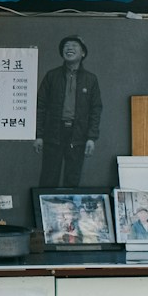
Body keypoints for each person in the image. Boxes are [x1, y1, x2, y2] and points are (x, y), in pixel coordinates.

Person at [34, 35, 101, 186]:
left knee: (73, 178)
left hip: (78, 135)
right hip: (53, 133)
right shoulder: (52, 76)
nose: (69, 48)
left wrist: (91, 137)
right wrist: (39, 135)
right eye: (66, 46)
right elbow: (40, 106)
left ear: (83, 53)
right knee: (48, 177)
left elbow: (96, 109)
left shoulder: (91, 79)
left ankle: (69, 209)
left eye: (74, 46)